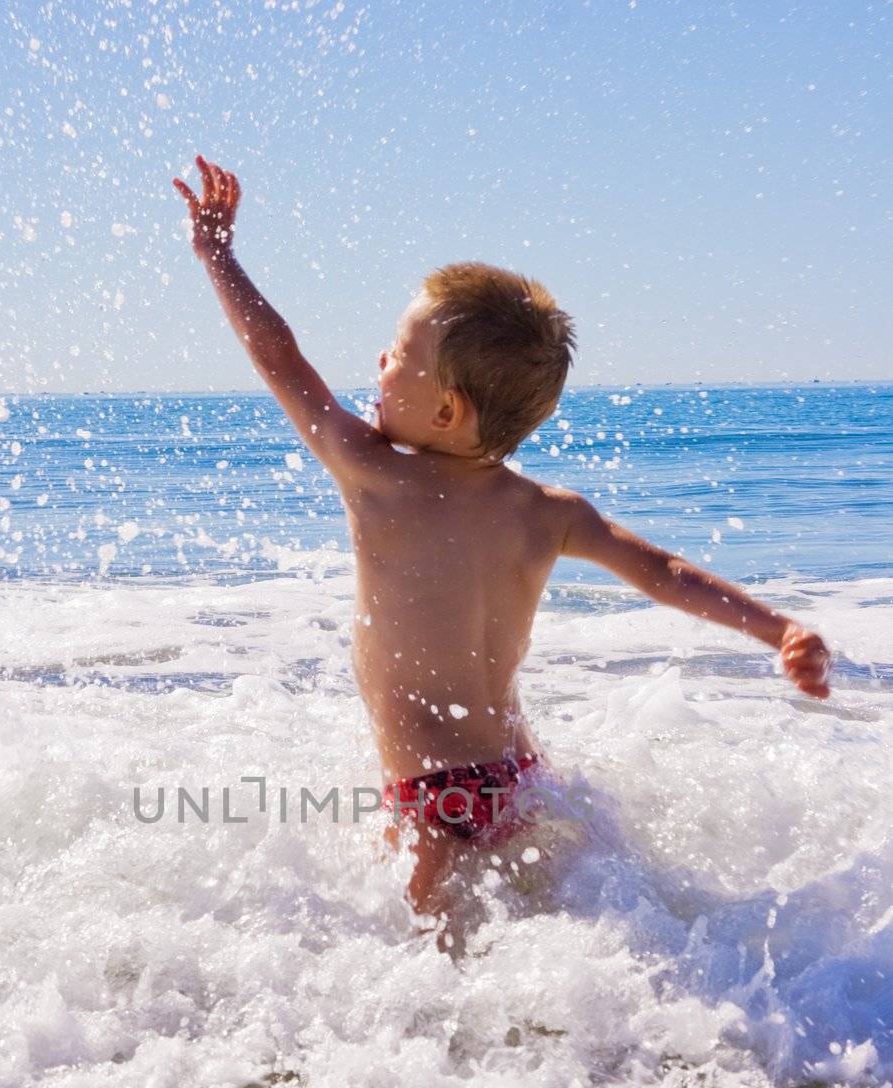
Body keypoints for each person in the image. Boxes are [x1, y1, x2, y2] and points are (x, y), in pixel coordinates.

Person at [173, 155, 833, 937]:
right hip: (522, 780)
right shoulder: (546, 511)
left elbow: (278, 356)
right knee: (557, 928)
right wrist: (776, 629)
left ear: (447, 411)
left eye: (397, 356)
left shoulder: (373, 475)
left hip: (428, 794)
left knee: (427, 958)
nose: (380, 365)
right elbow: (662, 573)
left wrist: (218, 256)